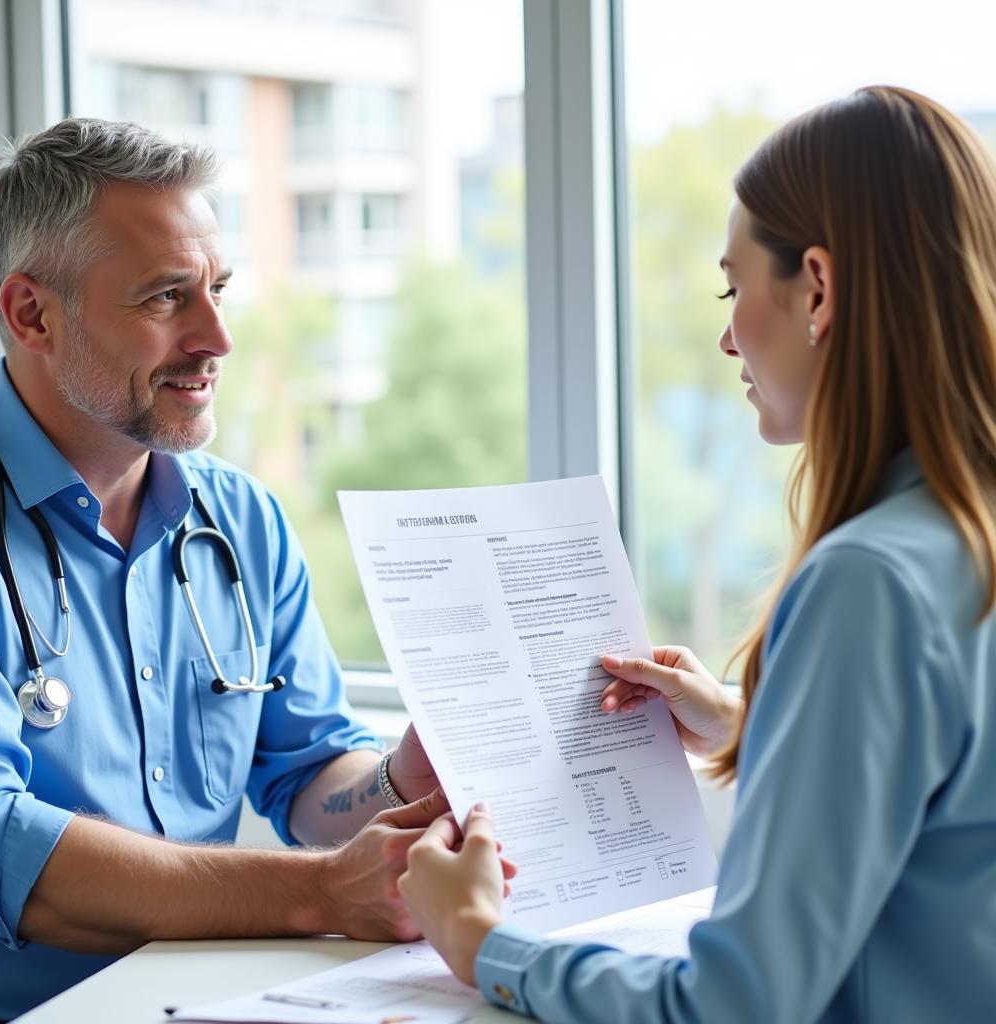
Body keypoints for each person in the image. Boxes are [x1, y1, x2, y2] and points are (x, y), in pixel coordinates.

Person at [397, 85, 996, 1023]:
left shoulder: (867, 587)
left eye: (734, 287)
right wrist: (751, 724)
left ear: (819, 290)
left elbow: (739, 1003)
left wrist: (483, 943)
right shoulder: (964, 541)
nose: (727, 335)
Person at [0, 118, 446, 1022]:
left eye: (219, 290)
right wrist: (319, 893)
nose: (218, 337)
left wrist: (399, 784)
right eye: (165, 299)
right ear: (31, 313)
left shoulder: (243, 521)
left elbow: (308, 780)